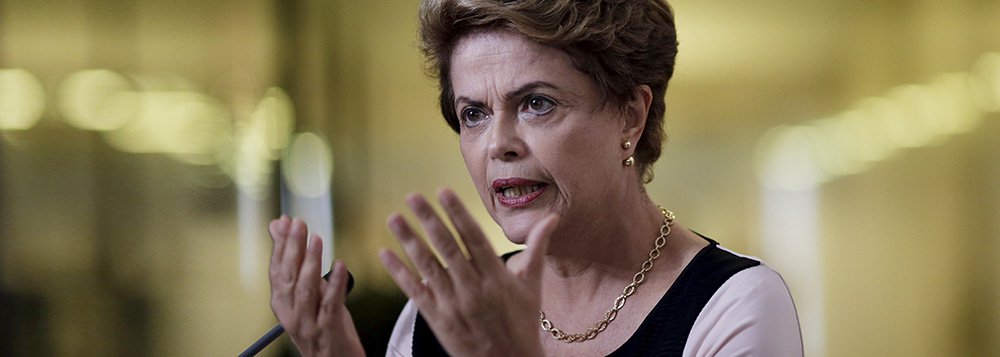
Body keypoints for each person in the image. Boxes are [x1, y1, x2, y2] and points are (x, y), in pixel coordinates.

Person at [266, 0, 804, 355]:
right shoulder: (441, 314)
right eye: (473, 113)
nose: (497, 144)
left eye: (536, 103)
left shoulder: (733, 305)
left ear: (630, 118)